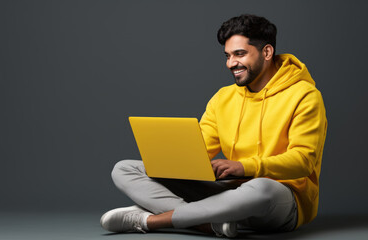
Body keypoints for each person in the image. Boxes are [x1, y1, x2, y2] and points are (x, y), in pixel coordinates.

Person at [100, 14, 327, 238]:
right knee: (124, 169)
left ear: (266, 52)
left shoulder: (305, 95)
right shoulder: (223, 98)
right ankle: (207, 223)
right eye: (227, 55)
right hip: (229, 192)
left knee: (263, 188)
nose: (231, 64)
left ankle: (152, 220)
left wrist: (243, 167)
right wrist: (171, 159)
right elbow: (198, 149)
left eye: (239, 54)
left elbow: (304, 161)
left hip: (281, 200)